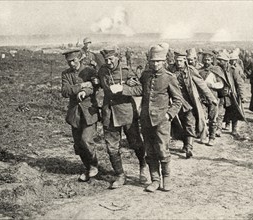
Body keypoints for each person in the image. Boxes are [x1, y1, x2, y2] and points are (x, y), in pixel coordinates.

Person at [123, 43, 183, 192]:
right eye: (153, 61)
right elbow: (140, 90)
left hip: (162, 120)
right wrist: (125, 87)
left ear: (163, 61)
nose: (155, 64)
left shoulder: (169, 77)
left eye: (158, 61)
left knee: (162, 150)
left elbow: (178, 100)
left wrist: (169, 115)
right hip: (145, 119)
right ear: (149, 61)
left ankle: (166, 179)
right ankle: (155, 180)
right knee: (149, 151)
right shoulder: (145, 75)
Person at [95, 46, 147, 189]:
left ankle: (143, 166)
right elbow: (98, 82)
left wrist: (123, 89)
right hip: (109, 114)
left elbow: (139, 89)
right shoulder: (102, 71)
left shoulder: (126, 71)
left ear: (117, 58)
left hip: (126, 112)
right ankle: (120, 175)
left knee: (135, 142)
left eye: (111, 59)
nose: (109, 62)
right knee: (111, 147)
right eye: (106, 60)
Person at [61, 49, 99, 182]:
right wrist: (81, 85)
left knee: (86, 140)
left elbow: (95, 86)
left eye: (74, 60)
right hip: (75, 114)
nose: (72, 64)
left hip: (89, 112)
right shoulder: (66, 74)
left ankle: (94, 165)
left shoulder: (89, 71)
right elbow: (65, 91)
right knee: (78, 145)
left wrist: (86, 91)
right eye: (69, 61)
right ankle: (87, 167)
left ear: (79, 58)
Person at [172, 51, 217, 158]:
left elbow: (202, 85)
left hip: (189, 102)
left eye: (181, 61)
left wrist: (211, 98)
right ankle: (185, 143)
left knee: (189, 122)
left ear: (185, 61)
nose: (178, 63)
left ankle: (189, 147)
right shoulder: (171, 70)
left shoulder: (190, 71)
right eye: (177, 61)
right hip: (175, 102)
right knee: (179, 123)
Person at [198, 51, 225, 146]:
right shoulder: (199, 71)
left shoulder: (216, 71)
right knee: (202, 118)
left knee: (213, 118)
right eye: (205, 59)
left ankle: (212, 138)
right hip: (202, 98)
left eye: (208, 59)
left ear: (211, 60)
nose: (206, 61)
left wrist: (212, 85)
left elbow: (221, 84)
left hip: (213, 97)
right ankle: (203, 136)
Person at [220, 51, 246, 135]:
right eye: (219, 60)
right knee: (221, 111)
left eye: (222, 60)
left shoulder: (233, 70)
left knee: (234, 110)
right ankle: (220, 127)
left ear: (226, 61)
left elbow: (240, 83)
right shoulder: (218, 69)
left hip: (232, 94)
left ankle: (234, 128)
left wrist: (242, 95)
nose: (220, 62)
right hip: (221, 94)